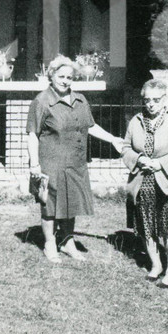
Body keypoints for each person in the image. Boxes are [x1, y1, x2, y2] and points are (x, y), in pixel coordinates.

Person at [26, 55, 124, 263]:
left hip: (75, 161)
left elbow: (91, 126)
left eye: (69, 77)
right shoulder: (41, 101)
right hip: (51, 163)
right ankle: (50, 243)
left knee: (71, 203)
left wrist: (113, 139)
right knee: (50, 205)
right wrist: (34, 164)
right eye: (61, 76)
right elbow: (32, 134)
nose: (65, 81)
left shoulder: (80, 100)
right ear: (51, 75)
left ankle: (67, 241)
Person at [120, 79, 168, 288]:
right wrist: (139, 159)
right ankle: (156, 265)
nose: (150, 104)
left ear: (164, 99)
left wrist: (160, 164)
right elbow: (125, 148)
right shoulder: (136, 121)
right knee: (146, 226)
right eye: (147, 100)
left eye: (156, 100)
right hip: (143, 181)